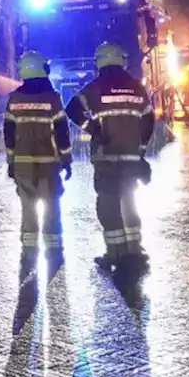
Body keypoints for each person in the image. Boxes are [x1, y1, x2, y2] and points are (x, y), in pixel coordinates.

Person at [66, 42, 154, 273]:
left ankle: (115, 253)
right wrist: (141, 150)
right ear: (121, 61)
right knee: (129, 201)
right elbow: (148, 120)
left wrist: (93, 128)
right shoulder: (137, 88)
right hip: (131, 158)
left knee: (108, 204)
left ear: (100, 63)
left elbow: (72, 109)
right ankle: (135, 250)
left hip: (106, 157)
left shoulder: (96, 87)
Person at [4, 51, 72, 261]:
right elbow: (62, 131)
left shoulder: (14, 99)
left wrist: (11, 161)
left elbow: (8, 133)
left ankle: (29, 248)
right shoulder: (53, 98)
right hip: (49, 162)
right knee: (52, 204)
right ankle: (54, 248)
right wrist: (67, 159)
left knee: (28, 206)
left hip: (23, 163)